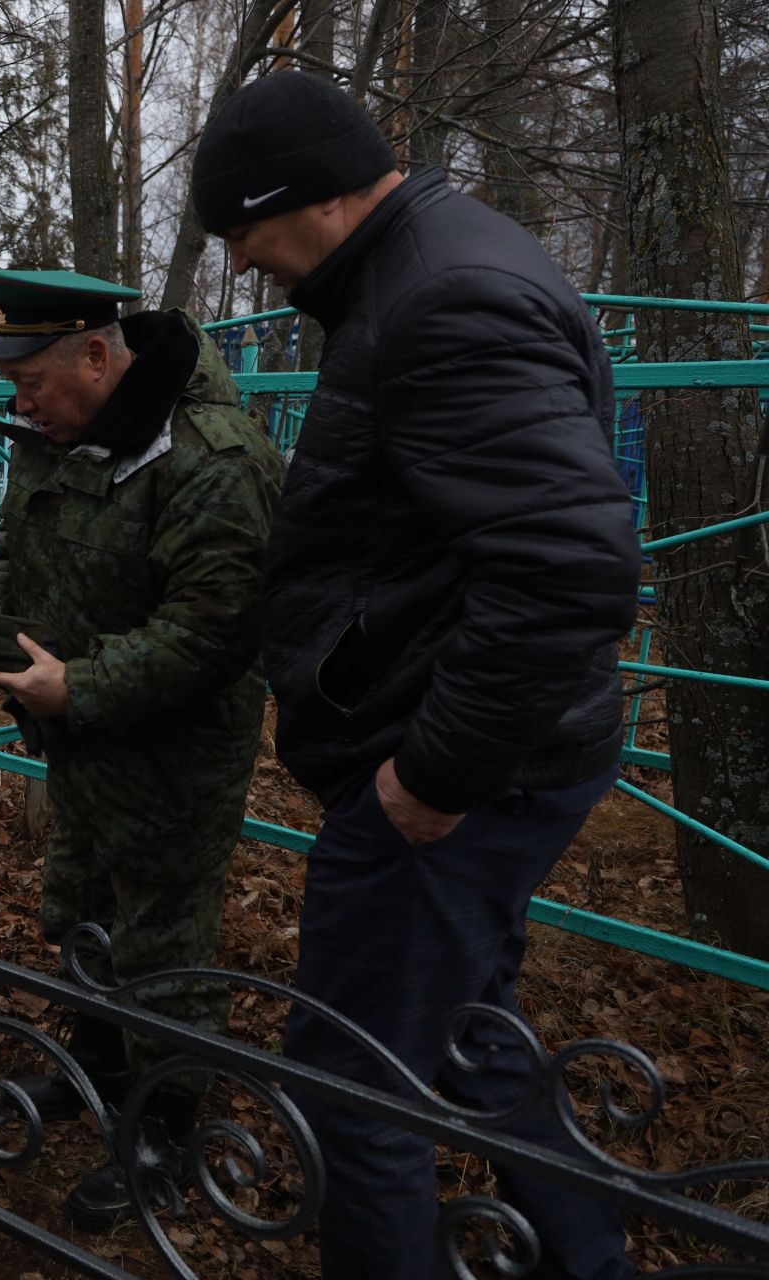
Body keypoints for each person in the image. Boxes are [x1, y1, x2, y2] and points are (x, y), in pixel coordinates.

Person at [192, 72, 641, 1280]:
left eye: (240, 231)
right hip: (485, 756)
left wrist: (429, 776)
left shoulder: (441, 297)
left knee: (356, 1085)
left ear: (311, 200)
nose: (240, 265)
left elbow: (565, 569)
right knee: (470, 1034)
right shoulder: (433, 268)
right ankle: (581, 1258)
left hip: (448, 783)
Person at [0, 267, 284, 1229]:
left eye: (32, 381)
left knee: (164, 944)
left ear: (97, 356)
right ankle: (98, 1074)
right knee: (85, 909)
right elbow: (12, 547)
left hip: (171, 759)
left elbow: (215, 630)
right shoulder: (61, 432)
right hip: (80, 742)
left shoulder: (213, 456)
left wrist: (80, 686)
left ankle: (165, 1134)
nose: (18, 402)